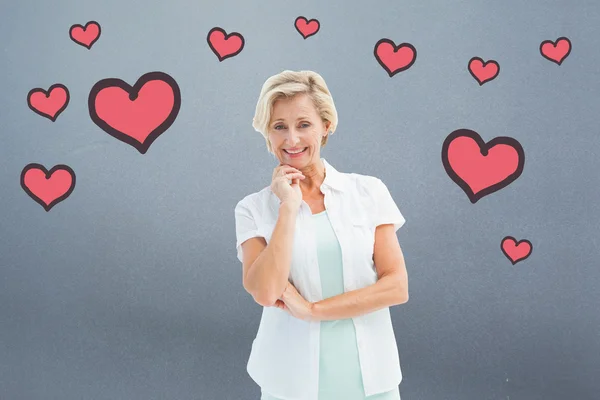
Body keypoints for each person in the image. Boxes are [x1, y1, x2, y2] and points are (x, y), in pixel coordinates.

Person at [234, 70, 409, 400]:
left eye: (303, 125)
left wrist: (312, 311)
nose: (292, 139)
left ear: (326, 126)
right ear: (267, 135)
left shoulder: (368, 192)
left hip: (372, 380)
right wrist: (288, 207)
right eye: (279, 126)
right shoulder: (253, 209)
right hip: (290, 383)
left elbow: (396, 286)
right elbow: (265, 292)